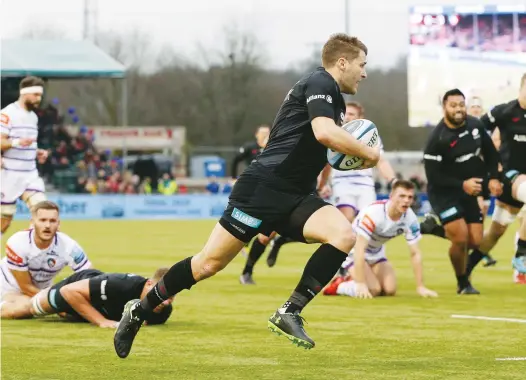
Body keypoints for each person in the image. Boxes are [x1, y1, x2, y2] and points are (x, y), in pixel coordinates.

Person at [113, 33, 380, 358]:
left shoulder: (334, 100)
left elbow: (323, 146)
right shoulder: (319, 81)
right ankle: (139, 311)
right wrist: (371, 154)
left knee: (342, 235)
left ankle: (290, 311)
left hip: (296, 195)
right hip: (262, 189)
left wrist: (342, 166)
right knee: (208, 264)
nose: (364, 73)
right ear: (343, 62)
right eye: (362, 65)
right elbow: (323, 132)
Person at [423, 89, 501, 295]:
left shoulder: (475, 125)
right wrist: (461, 184)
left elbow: (491, 154)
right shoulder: (437, 139)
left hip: (470, 190)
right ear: (444, 108)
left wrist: (493, 177)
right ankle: (463, 283)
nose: (458, 109)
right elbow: (433, 177)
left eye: (461, 105)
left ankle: (435, 230)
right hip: (444, 193)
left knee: (475, 241)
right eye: (453, 105)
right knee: (460, 238)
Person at [323, 180, 437, 298]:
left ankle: (356, 278)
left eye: (410, 197)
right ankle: (340, 285)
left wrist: (420, 287)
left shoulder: (410, 218)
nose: (406, 200)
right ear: (391, 196)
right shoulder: (373, 213)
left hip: (376, 254)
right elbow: (359, 249)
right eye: (402, 196)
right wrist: (361, 284)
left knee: (389, 290)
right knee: (374, 290)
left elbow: (415, 253)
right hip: (352, 252)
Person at [467, 73, 526, 282]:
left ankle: (465, 270)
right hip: (510, 176)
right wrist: (491, 168)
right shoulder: (505, 112)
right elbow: (476, 132)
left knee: (495, 232)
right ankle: (522, 253)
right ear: (520, 88)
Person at [1, 201, 92, 318]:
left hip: (41, 291)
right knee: (25, 308)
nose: (47, 225)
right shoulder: (17, 242)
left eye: (52, 221)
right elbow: (25, 287)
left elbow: (89, 276)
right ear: (32, 223)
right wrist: (57, 304)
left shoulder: (69, 246)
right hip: (9, 288)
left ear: (58, 224)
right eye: (42, 220)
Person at [318, 101, 397, 223]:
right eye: (345, 113)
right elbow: (327, 164)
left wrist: (393, 181)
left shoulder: (370, 135)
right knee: (346, 218)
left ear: (360, 118)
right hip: (342, 184)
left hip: (365, 184)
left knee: (368, 221)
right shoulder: (335, 135)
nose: (347, 116)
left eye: (351, 114)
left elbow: (381, 161)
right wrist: (322, 185)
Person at [27, 268, 173, 327]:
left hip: (96, 303)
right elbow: (68, 291)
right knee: (24, 310)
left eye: (171, 297)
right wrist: (101, 322)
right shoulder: (121, 284)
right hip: (76, 286)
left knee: (66, 314)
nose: (165, 302)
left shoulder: (163, 311)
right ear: (148, 284)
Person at [1, 76, 49, 235]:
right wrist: (16, 143)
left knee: (42, 211)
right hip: (10, 174)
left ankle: (27, 249)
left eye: (40, 95)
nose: (38, 99)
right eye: (35, 94)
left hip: (30, 173)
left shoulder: (33, 117)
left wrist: (37, 152)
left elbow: (27, 143)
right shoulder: (7, 114)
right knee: (4, 219)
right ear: (24, 93)